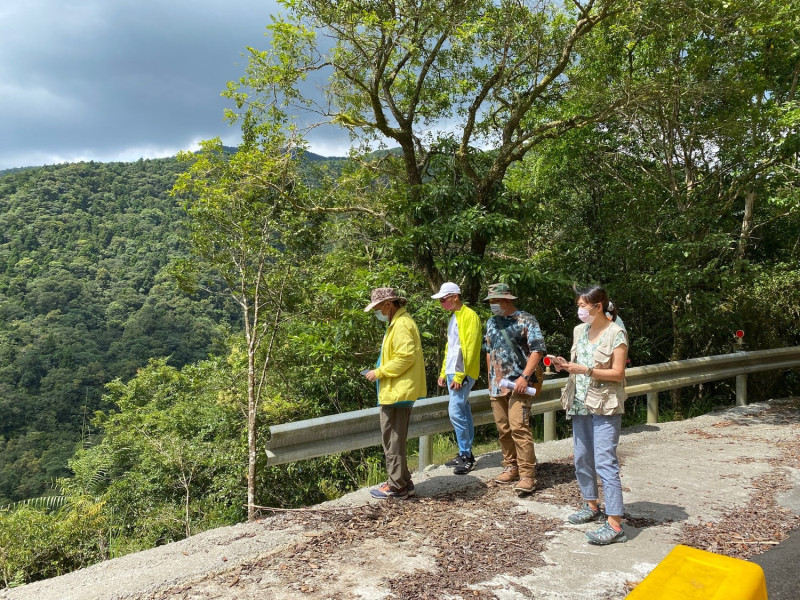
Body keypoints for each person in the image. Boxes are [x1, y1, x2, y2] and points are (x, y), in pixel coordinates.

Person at [553, 285, 629, 545]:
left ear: (598, 307)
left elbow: (618, 373)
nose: (579, 310)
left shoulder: (616, 333)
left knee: (605, 461)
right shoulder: (579, 331)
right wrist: (566, 366)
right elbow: (578, 365)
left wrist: (585, 370)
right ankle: (591, 505)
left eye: (583, 306)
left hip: (605, 405)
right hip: (580, 402)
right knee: (582, 457)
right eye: (578, 305)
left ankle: (615, 523)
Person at [363, 287, 427, 500]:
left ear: (388, 305)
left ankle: (396, 486)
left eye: (378, 307)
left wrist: (379, 372)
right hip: (396, 390)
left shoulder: (401, 324)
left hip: (398, 391)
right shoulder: (400, 322)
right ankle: (403, 481)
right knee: (394, 437)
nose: (377, 312)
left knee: (393, 439)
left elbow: (405, 357)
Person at [483, 283, 546, 494]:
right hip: (497, 385)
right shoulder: (491, 322)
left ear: (507, 300)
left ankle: (528, 474)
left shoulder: (526, 320)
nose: (492, 305)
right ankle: (511, 466)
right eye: (490, 301)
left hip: (520, 384)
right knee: (503, 428)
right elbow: (488, 350)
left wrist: (525, 376)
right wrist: (490, 378)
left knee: (519, 426)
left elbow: (537, 351)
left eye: (495, 301)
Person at [432, 282, 482, 475]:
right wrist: (444, 372)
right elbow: (450, 347)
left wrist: (460, 375)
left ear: (454, 296)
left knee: (455, 412)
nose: (441, 303)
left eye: (443, 299)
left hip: (463, 372)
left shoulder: (469, 316)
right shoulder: (454, 317)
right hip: (454, 371)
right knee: (463, 409)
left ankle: (467, 456)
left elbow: (467, 348)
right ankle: (464, 452)